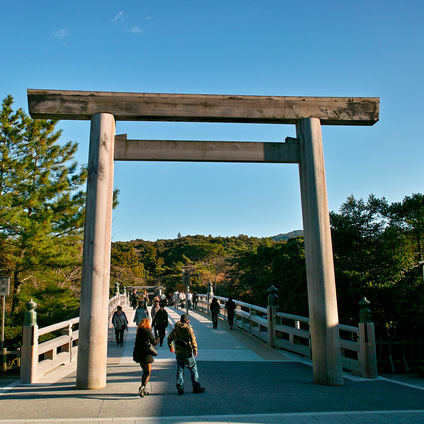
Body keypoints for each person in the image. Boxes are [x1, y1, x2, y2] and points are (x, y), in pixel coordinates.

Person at [168, 314, 205, 395]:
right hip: (187, 352)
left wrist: (171, 347)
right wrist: (195, 350)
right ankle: (196, 387)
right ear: (187, 321)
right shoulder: (188, 329)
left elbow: (169, 338)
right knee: (193, 368)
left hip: (178, 352)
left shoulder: (176, 328)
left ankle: (180, 386)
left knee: (180, 369)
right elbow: (193, 339)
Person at [133, 318, 158, 398]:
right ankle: (142, 387)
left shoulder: (138, 332)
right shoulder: (148, 331)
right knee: (148, 373)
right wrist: (158, 339)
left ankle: (143, 388)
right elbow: (154, 342)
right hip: (147, 354)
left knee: (144, 372)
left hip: (139, 354)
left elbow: (136, 344)